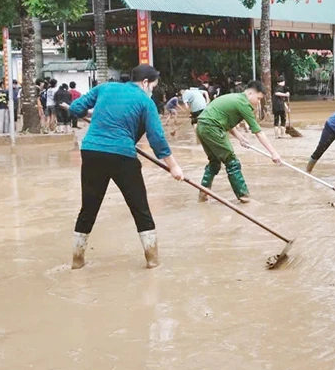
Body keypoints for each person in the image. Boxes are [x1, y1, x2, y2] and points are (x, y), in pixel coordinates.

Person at [68, 64, 184, 270]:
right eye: (153, 87)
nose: (152, 91)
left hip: (92, 151)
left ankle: (77, 260)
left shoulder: (104, 88)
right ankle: (152, 260)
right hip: (122, 155)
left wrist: (98, 117)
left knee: (89, 208)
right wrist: (174, 167)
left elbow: (75, 108)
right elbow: (156, 137)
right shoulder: (145, 102)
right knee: (140, 207)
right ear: (145, 82)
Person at [196, 81, 281, 203]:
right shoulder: (243, 104)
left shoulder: (236, 98)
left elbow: (225, 120)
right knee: (232, 162)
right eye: (258, 98)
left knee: (214, 162)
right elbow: (258, 132)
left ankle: (203, 194)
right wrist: (273, 153)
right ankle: (244, 197)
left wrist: (240, 138)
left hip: (202, 126)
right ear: (250, 93)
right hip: (211, 128)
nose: (258, 102)